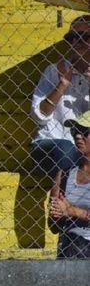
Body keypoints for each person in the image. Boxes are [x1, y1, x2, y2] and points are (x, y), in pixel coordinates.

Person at [30, 16, 90, 180]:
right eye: (72, 37)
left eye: (85, 37)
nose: (77, 42)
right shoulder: (54, 71)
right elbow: (39, 116)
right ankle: (62, 201)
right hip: (54, 142)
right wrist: (62, 84)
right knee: (67, 150)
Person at [49, 113, 90, 259]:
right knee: (73, 244)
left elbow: (70, 211)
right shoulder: (64, 174)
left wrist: (73, 211)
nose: (78, 136)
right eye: (75, 132)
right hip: (70, 246)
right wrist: (57, 212)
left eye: (85, 132)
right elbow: (54, 227)